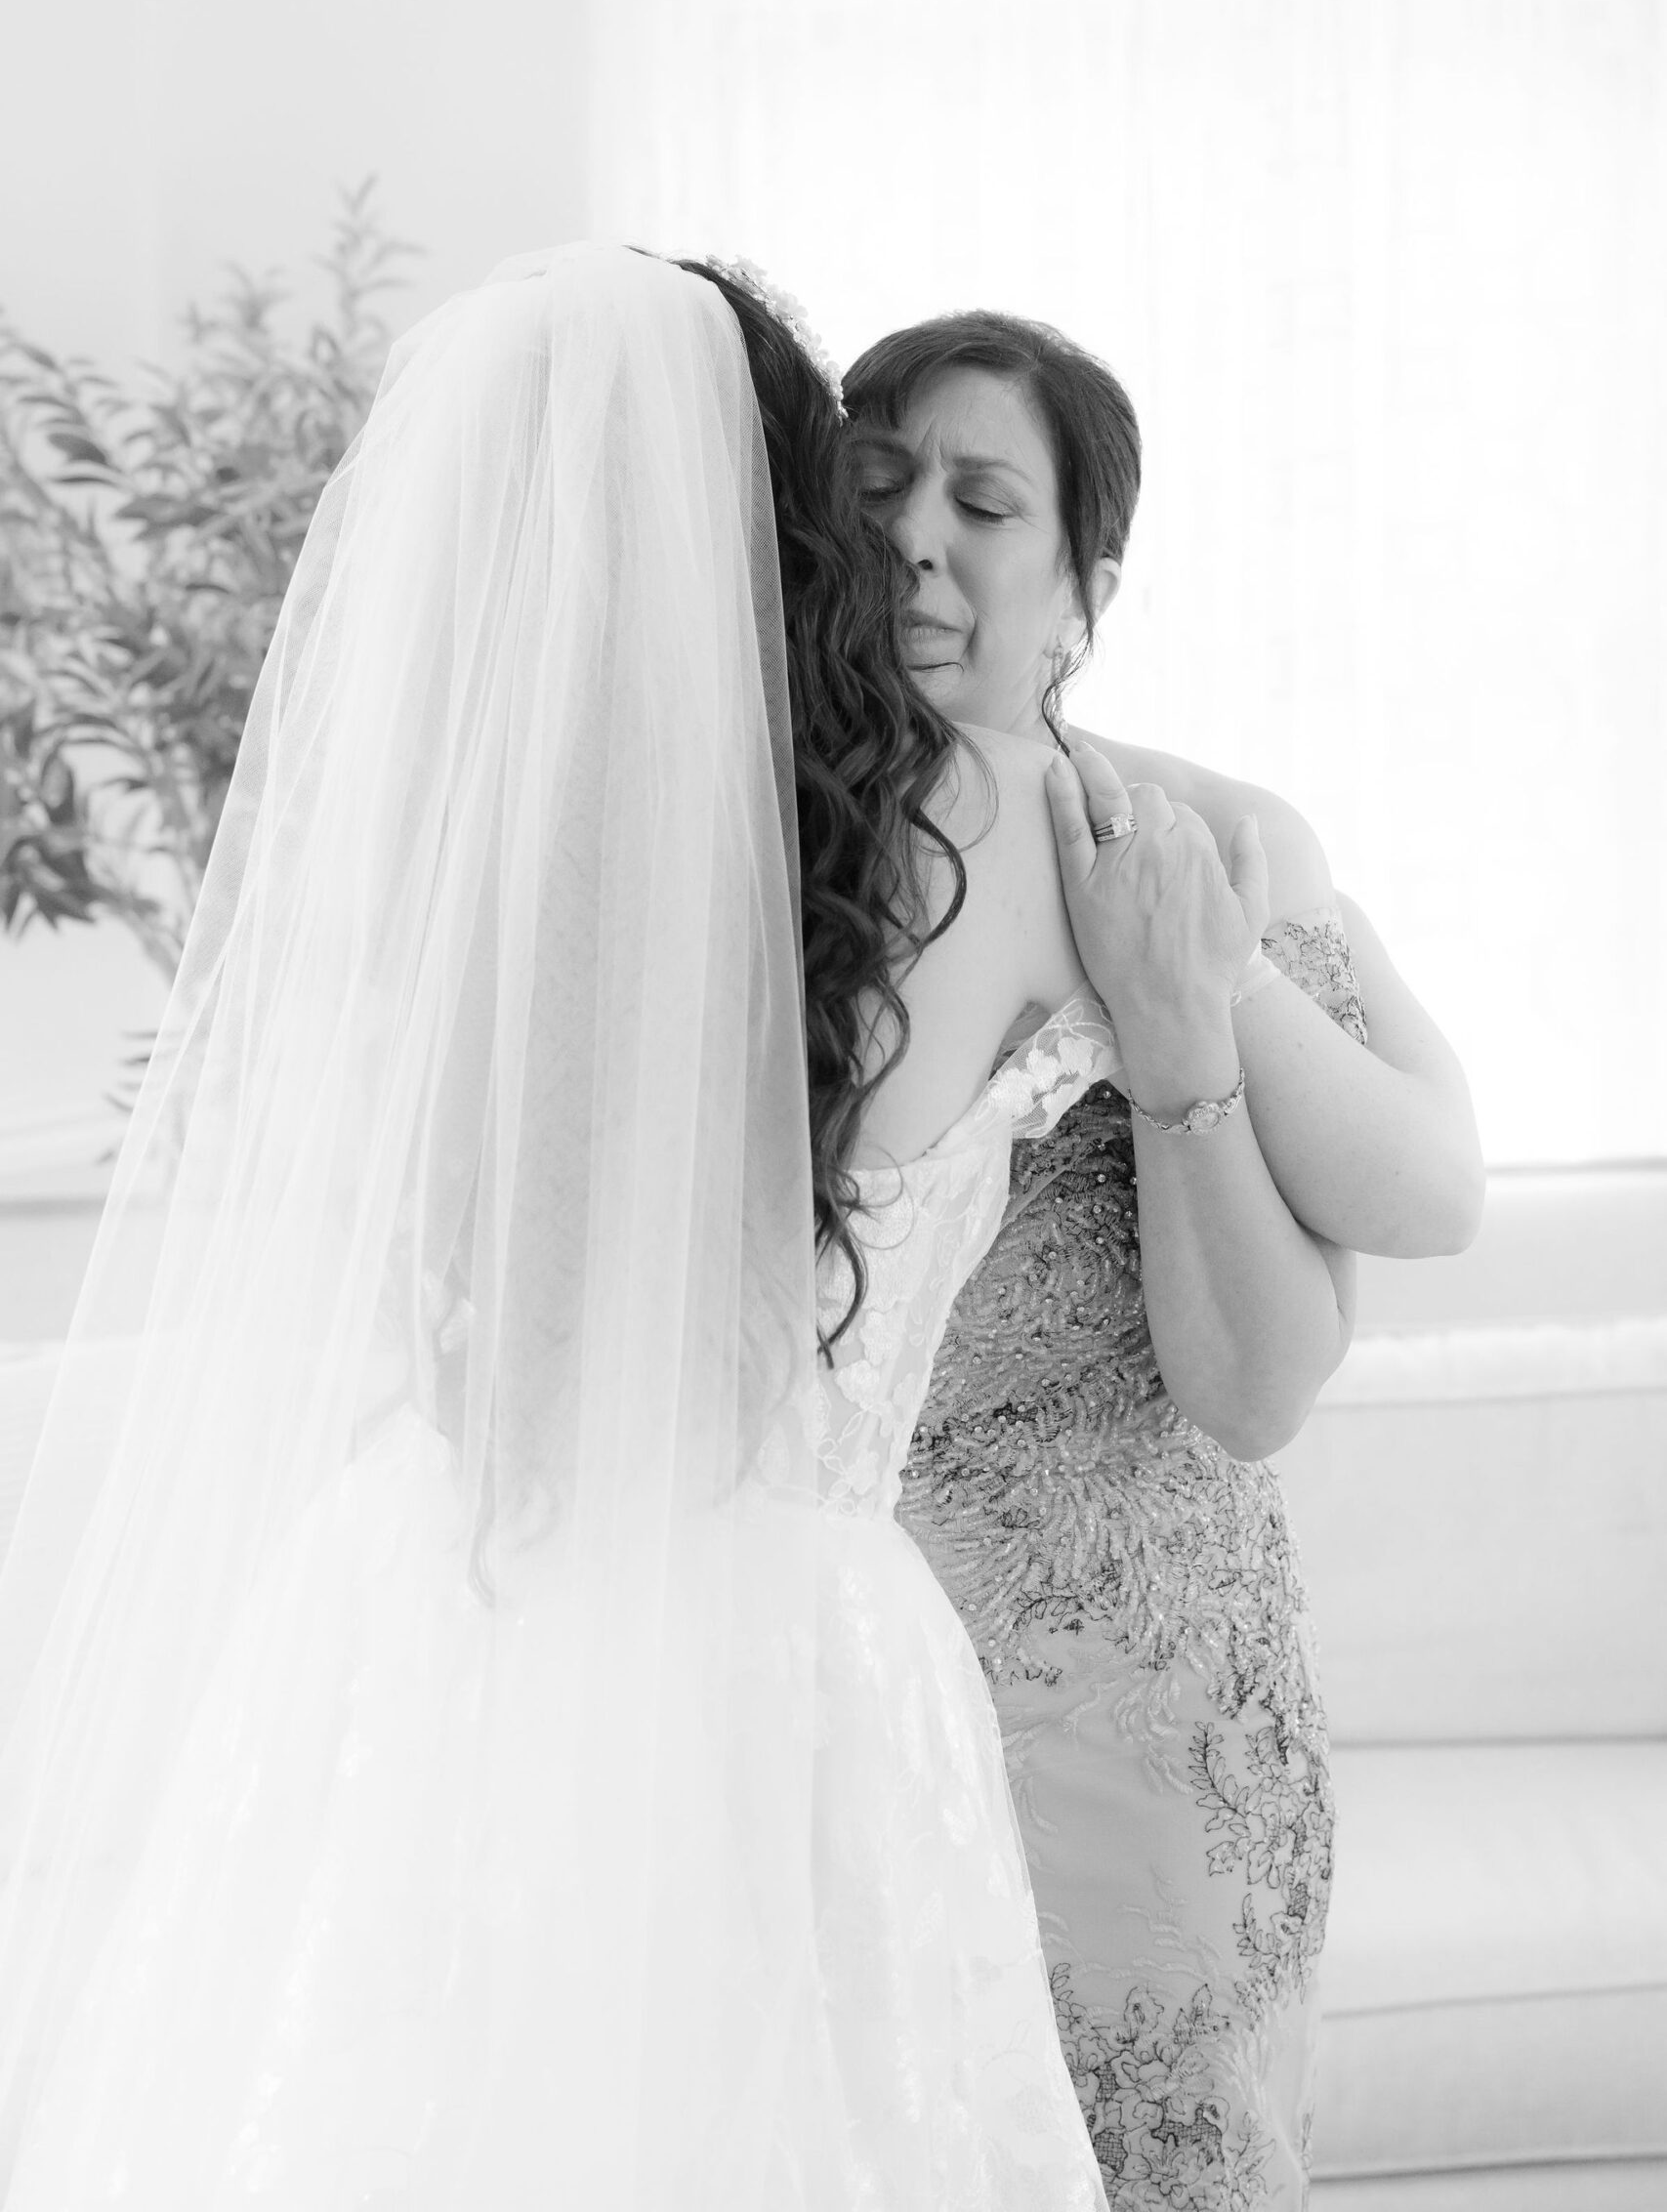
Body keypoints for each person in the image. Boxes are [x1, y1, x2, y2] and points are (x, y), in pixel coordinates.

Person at [0, 244, 1318, 2210]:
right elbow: (1352, 1229)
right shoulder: (975, 822)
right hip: (779, 1649)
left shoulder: (473, 866)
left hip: (440, 1600)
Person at [844, 309, 1484, 2207]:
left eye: (980, 501)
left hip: (1149, 1704)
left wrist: (1181, 1001)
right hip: (866, 1684)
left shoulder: (1197, 832)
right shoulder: (787, 863)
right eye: (871, 494)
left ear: (1085, 580)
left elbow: (1411, 1200)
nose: (913, 547)